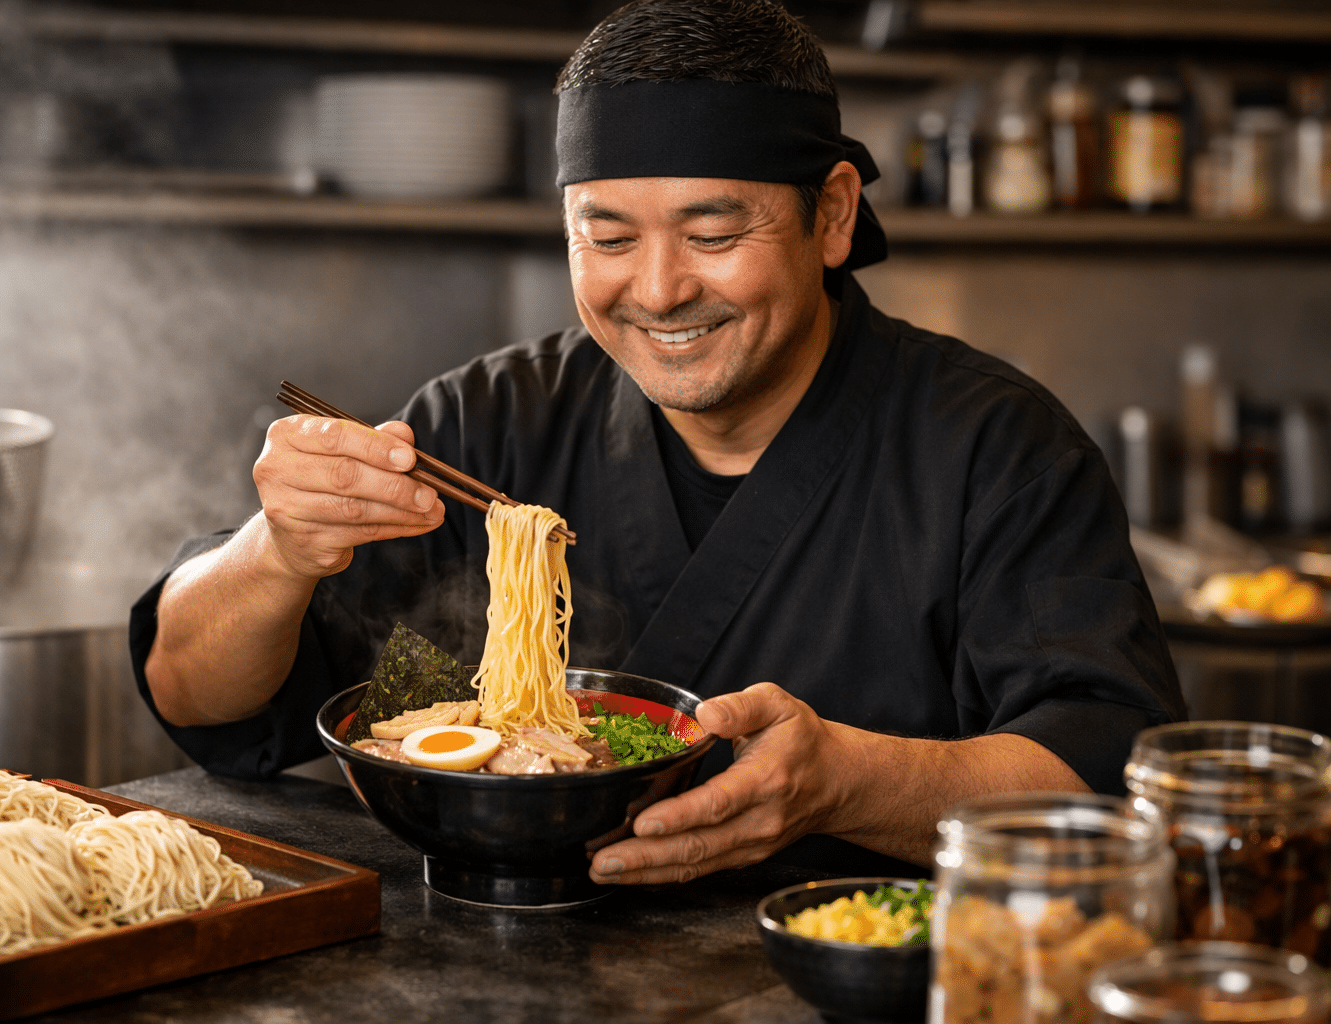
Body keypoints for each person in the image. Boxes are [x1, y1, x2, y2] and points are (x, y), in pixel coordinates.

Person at [133, 0, 1185, 883]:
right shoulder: (489, 420)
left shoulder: (995, 449)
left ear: (831, 215)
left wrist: (848, 784)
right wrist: (276, 551)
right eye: (607, 236)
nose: (660, 289)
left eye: (713, 234)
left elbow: (1109, 776)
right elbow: (203, 700)